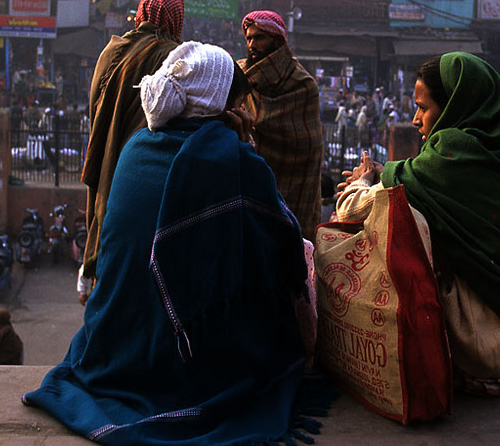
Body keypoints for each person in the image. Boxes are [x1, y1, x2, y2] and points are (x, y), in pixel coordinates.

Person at [24, 42, 318, 444]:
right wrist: (245, 150)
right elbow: (285, 245)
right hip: (186, 362)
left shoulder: (135, 148)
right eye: (240, 104)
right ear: (221, 107)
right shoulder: (237, 164)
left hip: (113, 344)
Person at [333, 52, 500, 393]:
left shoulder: (451, 155)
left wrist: (363, 180)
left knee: (397, 216)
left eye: (423, 108)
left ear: (454, 106)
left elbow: (352, 209)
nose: (415, 120)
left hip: (483, 351)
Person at [79, 0, 184, 303]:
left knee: (104, 218)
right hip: (146, 166)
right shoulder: (172, 56)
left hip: (105, 152)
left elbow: (95, 105)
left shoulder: (111, 50)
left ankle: (95, 281)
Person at [238, 10, 323, 240]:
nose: (253, 43)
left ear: (277, 41)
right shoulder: (240, 75)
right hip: (247, 189)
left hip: (291, 193)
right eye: (249, 38)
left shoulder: (302, 85)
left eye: (259, 37)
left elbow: (309, 149)